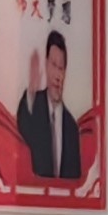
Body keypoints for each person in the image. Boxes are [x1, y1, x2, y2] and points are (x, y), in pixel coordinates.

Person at [13, 29, 84, 183]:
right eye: (54, 65)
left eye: (61, 68)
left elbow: (75, 180)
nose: (57, 75)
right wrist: (31, 89)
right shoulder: (33, 107)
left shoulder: (71, 127)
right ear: (45, 65)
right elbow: (22, 126)